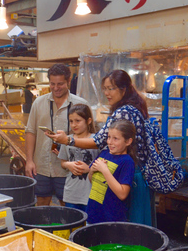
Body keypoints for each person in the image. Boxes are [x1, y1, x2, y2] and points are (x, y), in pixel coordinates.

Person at [47, 69, 154, 226]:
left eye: (111, 88)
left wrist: (68, 140)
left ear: (123, 89)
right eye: (105, 88)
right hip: (130, 179)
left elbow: (98, 140)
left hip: (128, 179)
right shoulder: (132, 108)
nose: (107, 93)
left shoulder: (123, 113)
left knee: (127, 227)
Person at [25, 63, 88, 206]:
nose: (56, 88)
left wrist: (68, 140)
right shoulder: (39, 103)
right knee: (41, 201)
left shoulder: (81, 105)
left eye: (60, 84)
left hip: (68, 167)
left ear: (69, 81)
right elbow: (30, 132)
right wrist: (29, 160)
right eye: (52, 84)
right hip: (41, 165)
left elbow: (88, 136)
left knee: (67, 204)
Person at [86, 119, 136, 224]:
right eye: (109, 137)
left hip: (111, 220)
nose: (110, 142)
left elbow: (122, 194)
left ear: (128, 141)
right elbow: (92, 181)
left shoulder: (127, 162)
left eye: (115, 139)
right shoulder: (104, 153)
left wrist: (105, 170)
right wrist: (91, 171)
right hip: (92, 214)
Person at [53, 104, 99, 212]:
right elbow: (63, 162)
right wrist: (68, 164)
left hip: (91, 194)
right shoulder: (67, 140)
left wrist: (89, 169)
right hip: (71, 193)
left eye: (78, 121)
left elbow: (104, 165)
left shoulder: (96, 141)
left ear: (88, 121)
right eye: (71, 121)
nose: (74, 125)